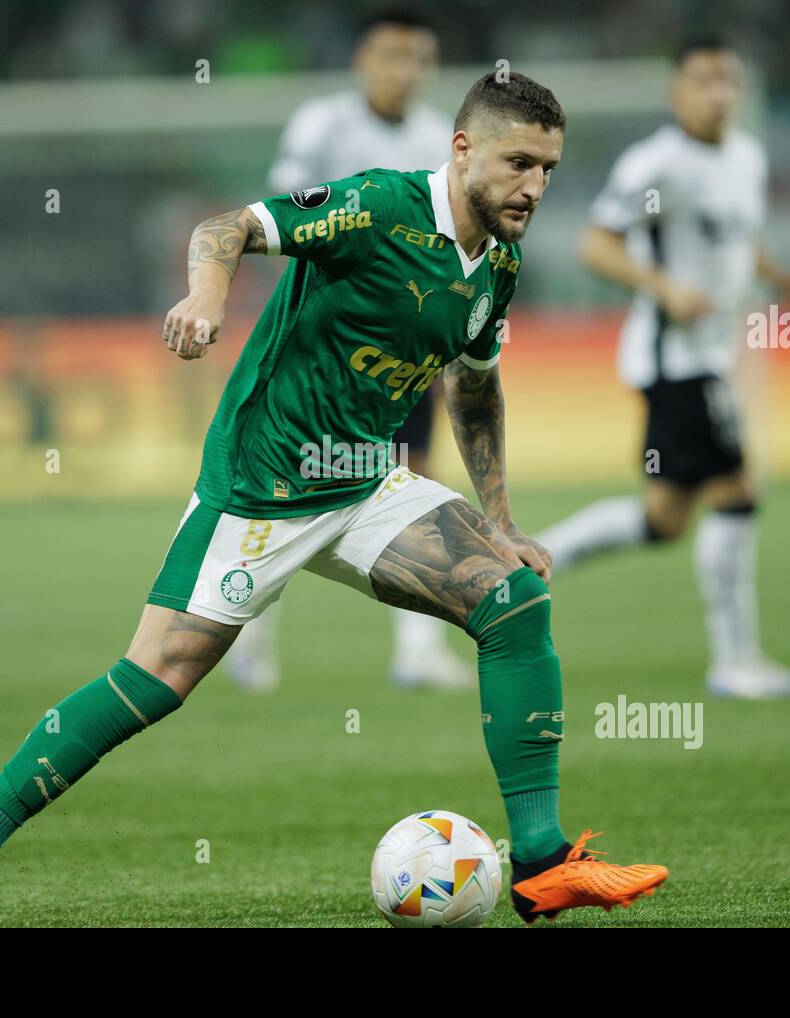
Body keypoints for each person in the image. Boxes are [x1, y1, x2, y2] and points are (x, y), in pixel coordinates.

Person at [0, 72, 669, 928]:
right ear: (462, 148)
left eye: (550, 168)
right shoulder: (377, 207)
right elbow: (229, 227)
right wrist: (208, 292)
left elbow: (475, 387)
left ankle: (541, 863)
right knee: (156, 677)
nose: (535, 186)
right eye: (519, 161)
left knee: (515, 602)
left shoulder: (501, 265)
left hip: (367, 483)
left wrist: (501, 521)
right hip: (261, 490)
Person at [537, 35, 790, 699]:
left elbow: (738, 236)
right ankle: (735, 662)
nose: (717, 91)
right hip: (675, 357)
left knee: (664, 519)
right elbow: (595, 244)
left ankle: (525, 563)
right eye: (702, 79)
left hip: (707, 355)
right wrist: (664, 288)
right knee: (739, 490)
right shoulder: (655, 164)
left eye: (727, 78)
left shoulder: (745, 156)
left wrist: (778, 275)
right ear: (676, 91)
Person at [225, 8, 472, 693]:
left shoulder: (437, 137)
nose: (405, 70)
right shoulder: (321, 124)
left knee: (410, 474)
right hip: (318, 342)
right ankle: (245, 626)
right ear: (363, 60)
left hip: (404, 343)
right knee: (287, 486)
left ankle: (416, 649)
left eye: (418, 58)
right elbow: (281, 216)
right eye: (392, 55)